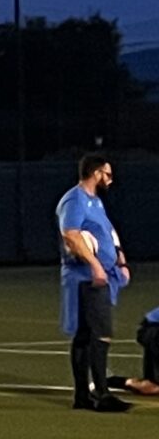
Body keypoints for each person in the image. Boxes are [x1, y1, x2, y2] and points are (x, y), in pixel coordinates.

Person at [57, 153, 133, 415]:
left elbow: (109, 231)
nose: (110, 180)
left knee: (86, 336)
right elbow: (71, 235)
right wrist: (96, 265)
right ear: (96, 173)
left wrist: (120, 259)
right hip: (86, 278)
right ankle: (101, 394)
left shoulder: (95, 202)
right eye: (108, 174)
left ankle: (82, 397)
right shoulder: (74, 200)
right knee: (101, 332)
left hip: (99, 275)